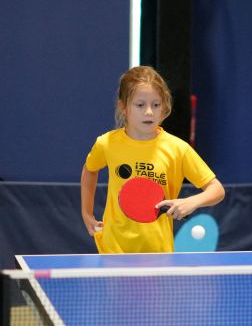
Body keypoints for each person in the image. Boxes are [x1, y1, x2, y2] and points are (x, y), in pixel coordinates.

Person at [81, 66, 225, 253]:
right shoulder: (106, 143)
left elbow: (217, 190)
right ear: (123, 107)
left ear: (164, 107)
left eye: (155, 105)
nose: (149, 112)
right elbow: (90, 170)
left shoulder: (177, 149)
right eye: (140, 105)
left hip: (158, 251)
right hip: (114, 249)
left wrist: (190, 202)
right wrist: (87, 213)